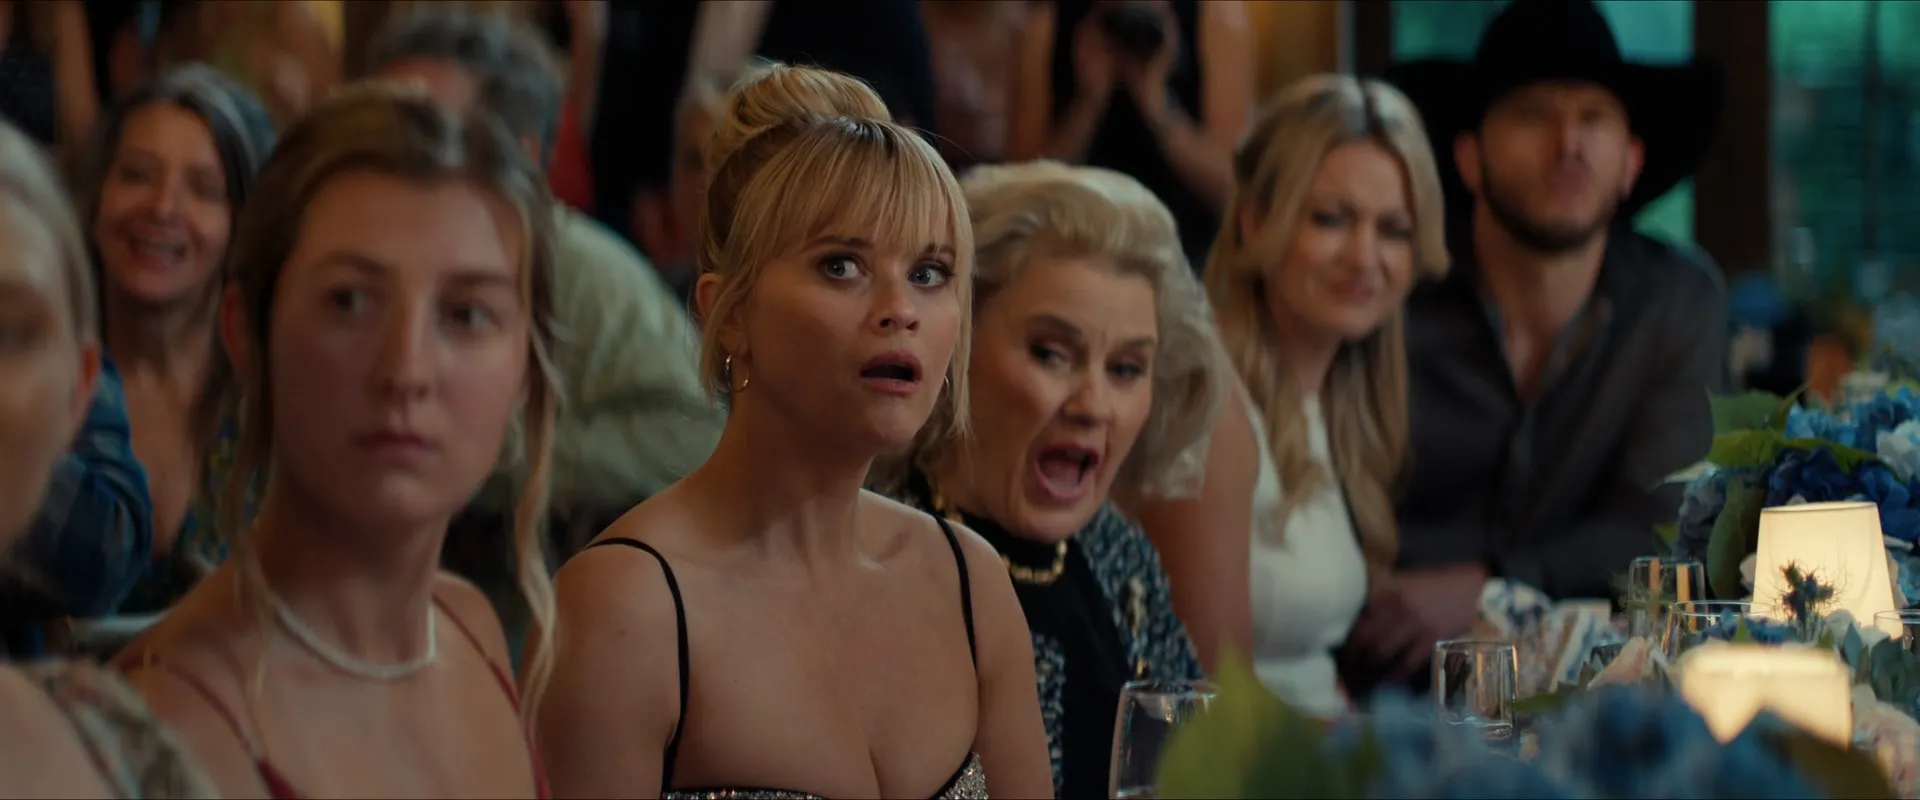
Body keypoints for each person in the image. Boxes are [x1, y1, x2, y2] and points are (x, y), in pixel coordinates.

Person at [536, 63, 1052, 799]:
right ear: (728, 314)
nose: (900, 309)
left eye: (929, 273)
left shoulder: (973, 583)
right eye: (842, 265)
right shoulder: (622, 609)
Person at [116, 84, 558, 798]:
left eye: (466, 314)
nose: (406, 371)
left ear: (527, 369)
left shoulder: (470, 627)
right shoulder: (165, 722)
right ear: (246, 333)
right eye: (349, 301)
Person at [1354, 0, 1727, 687]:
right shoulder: (1390, 293)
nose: (1568, 143)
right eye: (1533, 114)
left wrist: (1491, 586)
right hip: (1378, 679)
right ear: (1468, 158)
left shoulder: (1676, 302)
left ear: (1631, 161)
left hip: (1588, 693)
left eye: (1594, 117)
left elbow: (1665, 526)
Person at [881, 160, 1220, 797]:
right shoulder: (878, 558)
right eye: (1051, 354)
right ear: (956, 342)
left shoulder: (1117, 552)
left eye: (1126, 369)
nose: (1094, 405)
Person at [1129, 75, 1449, 718]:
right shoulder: (1206, 399)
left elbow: (1309, 676)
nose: (1364, 256)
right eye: (1332, 219)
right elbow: (1209, 712)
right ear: (1254, 222)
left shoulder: (1333, 401)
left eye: (1393, 229)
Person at [367, 9, 722, 555]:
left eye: (428, 134)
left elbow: (693, 433)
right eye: (374, 129)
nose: (386, 159)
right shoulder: (344, 251)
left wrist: (501, 457)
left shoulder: (585, 273)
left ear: (522, 154)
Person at [0, 117, 215, 799]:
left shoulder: (113, 751)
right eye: (138, 174)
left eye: (8, 332)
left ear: (79, 389)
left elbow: (105, 547)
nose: (164, 206)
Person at [68, 63, 276, 620]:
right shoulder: (32, 379)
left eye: (204, 190)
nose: (162, 208)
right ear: (96, 197)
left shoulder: (278, 406)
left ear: (243, 226)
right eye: (137, 175)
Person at [1007, 0, 1253, 266]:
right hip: (1070, 244)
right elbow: (1019, 185)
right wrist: (1088, 102)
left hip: (1184, 250)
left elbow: (1229, 185)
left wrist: (1154, 101)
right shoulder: (1047, 20)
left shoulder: (1217, 16)